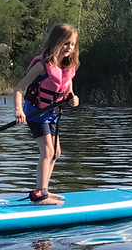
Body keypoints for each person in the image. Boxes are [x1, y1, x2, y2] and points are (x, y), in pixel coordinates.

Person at [13, 23, 81, 205]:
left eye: (72, 44)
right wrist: (18, 110)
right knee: (47, 151)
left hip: (51, 114)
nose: (69, 48)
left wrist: (73, 98)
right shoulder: (43, 66)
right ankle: (39, 195)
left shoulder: (67, 68)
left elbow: (68, 91)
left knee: (56, 152)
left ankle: (45, 190)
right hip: (35, 113)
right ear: (56, 42)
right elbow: (19, 89)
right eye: (66, 43)